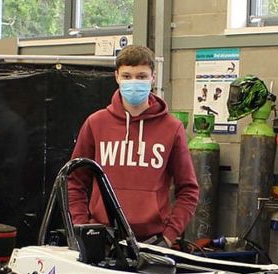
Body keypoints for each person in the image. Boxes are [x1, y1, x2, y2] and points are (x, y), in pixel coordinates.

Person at [68, 45, 199, 247]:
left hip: (152, 241)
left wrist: (169, 236)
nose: (134, 82)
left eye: (141, 76)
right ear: (117, 77)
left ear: (153, 78)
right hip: (103, 237)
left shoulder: (172, 128)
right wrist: (82, 227)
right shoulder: (96, 123)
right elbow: (74, 181)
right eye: (127, 76)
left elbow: (189, 190)